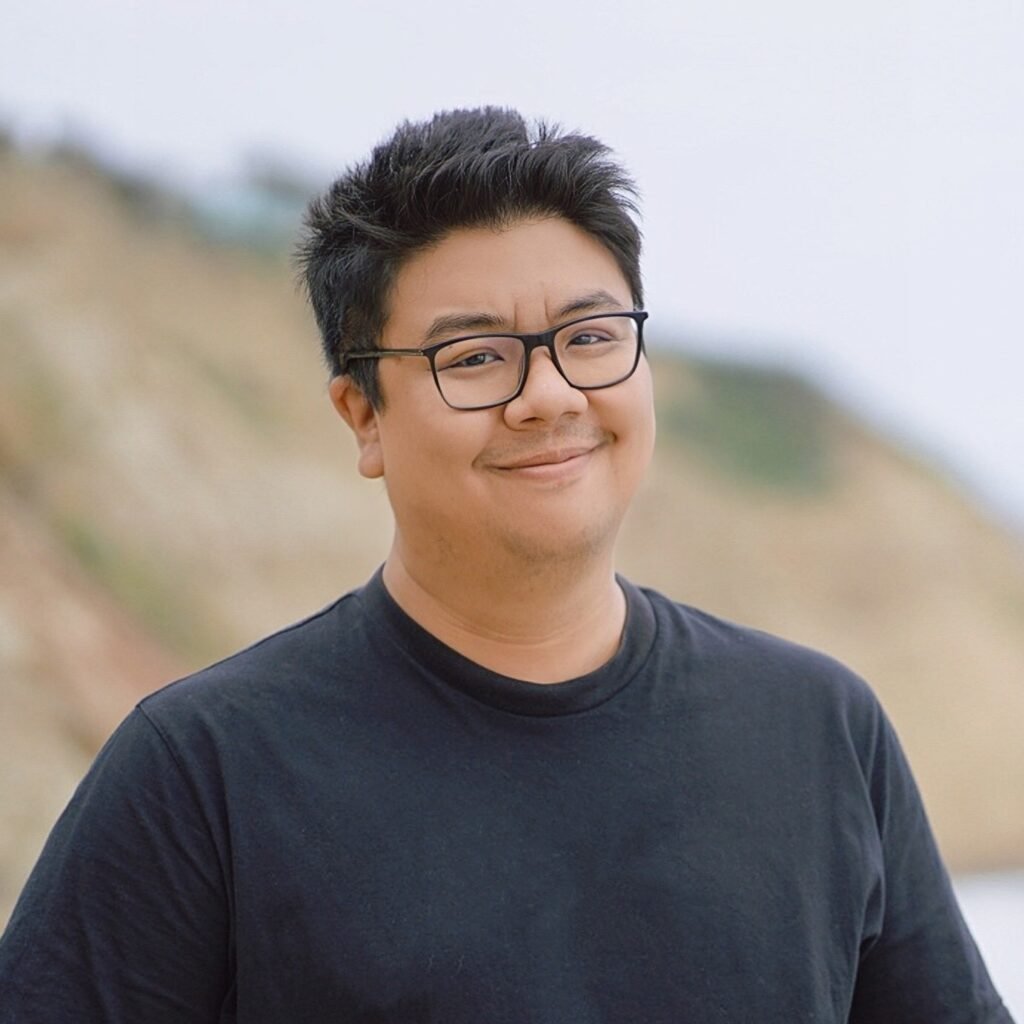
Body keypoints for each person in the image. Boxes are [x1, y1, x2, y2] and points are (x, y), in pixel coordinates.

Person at [0, 108, 1013, 1024]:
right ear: (363, 417)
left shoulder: (819, 732)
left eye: (590, 336)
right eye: (476, 356)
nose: (550, 394)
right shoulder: (204, 770)